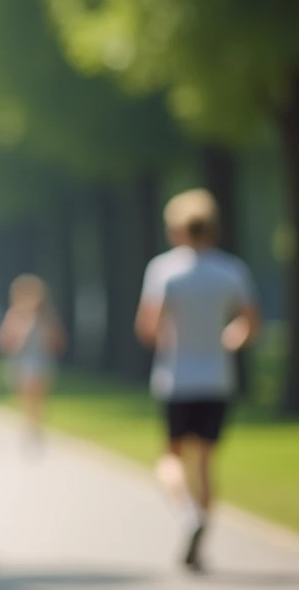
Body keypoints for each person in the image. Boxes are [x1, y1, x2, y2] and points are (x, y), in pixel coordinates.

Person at [136, 188, 258, 573]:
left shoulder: (163, 270)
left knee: (170, 458)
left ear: (176, 229)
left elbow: (148, 327)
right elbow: (250, 323)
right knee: (204, 462)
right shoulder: (232, 270)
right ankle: (201, 530)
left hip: (176, 378)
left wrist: (172, 341)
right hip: (217, 378)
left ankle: (189, 516)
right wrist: (227, 341)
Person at [0, 274, 66, 447]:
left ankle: (36, 426)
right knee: (25, 396)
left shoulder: (47, 316)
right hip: (22, 361)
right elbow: (4, 341)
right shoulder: (14, 315)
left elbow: (58, 340)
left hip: (42, 360)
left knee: (39, 396)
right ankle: (29, 426)